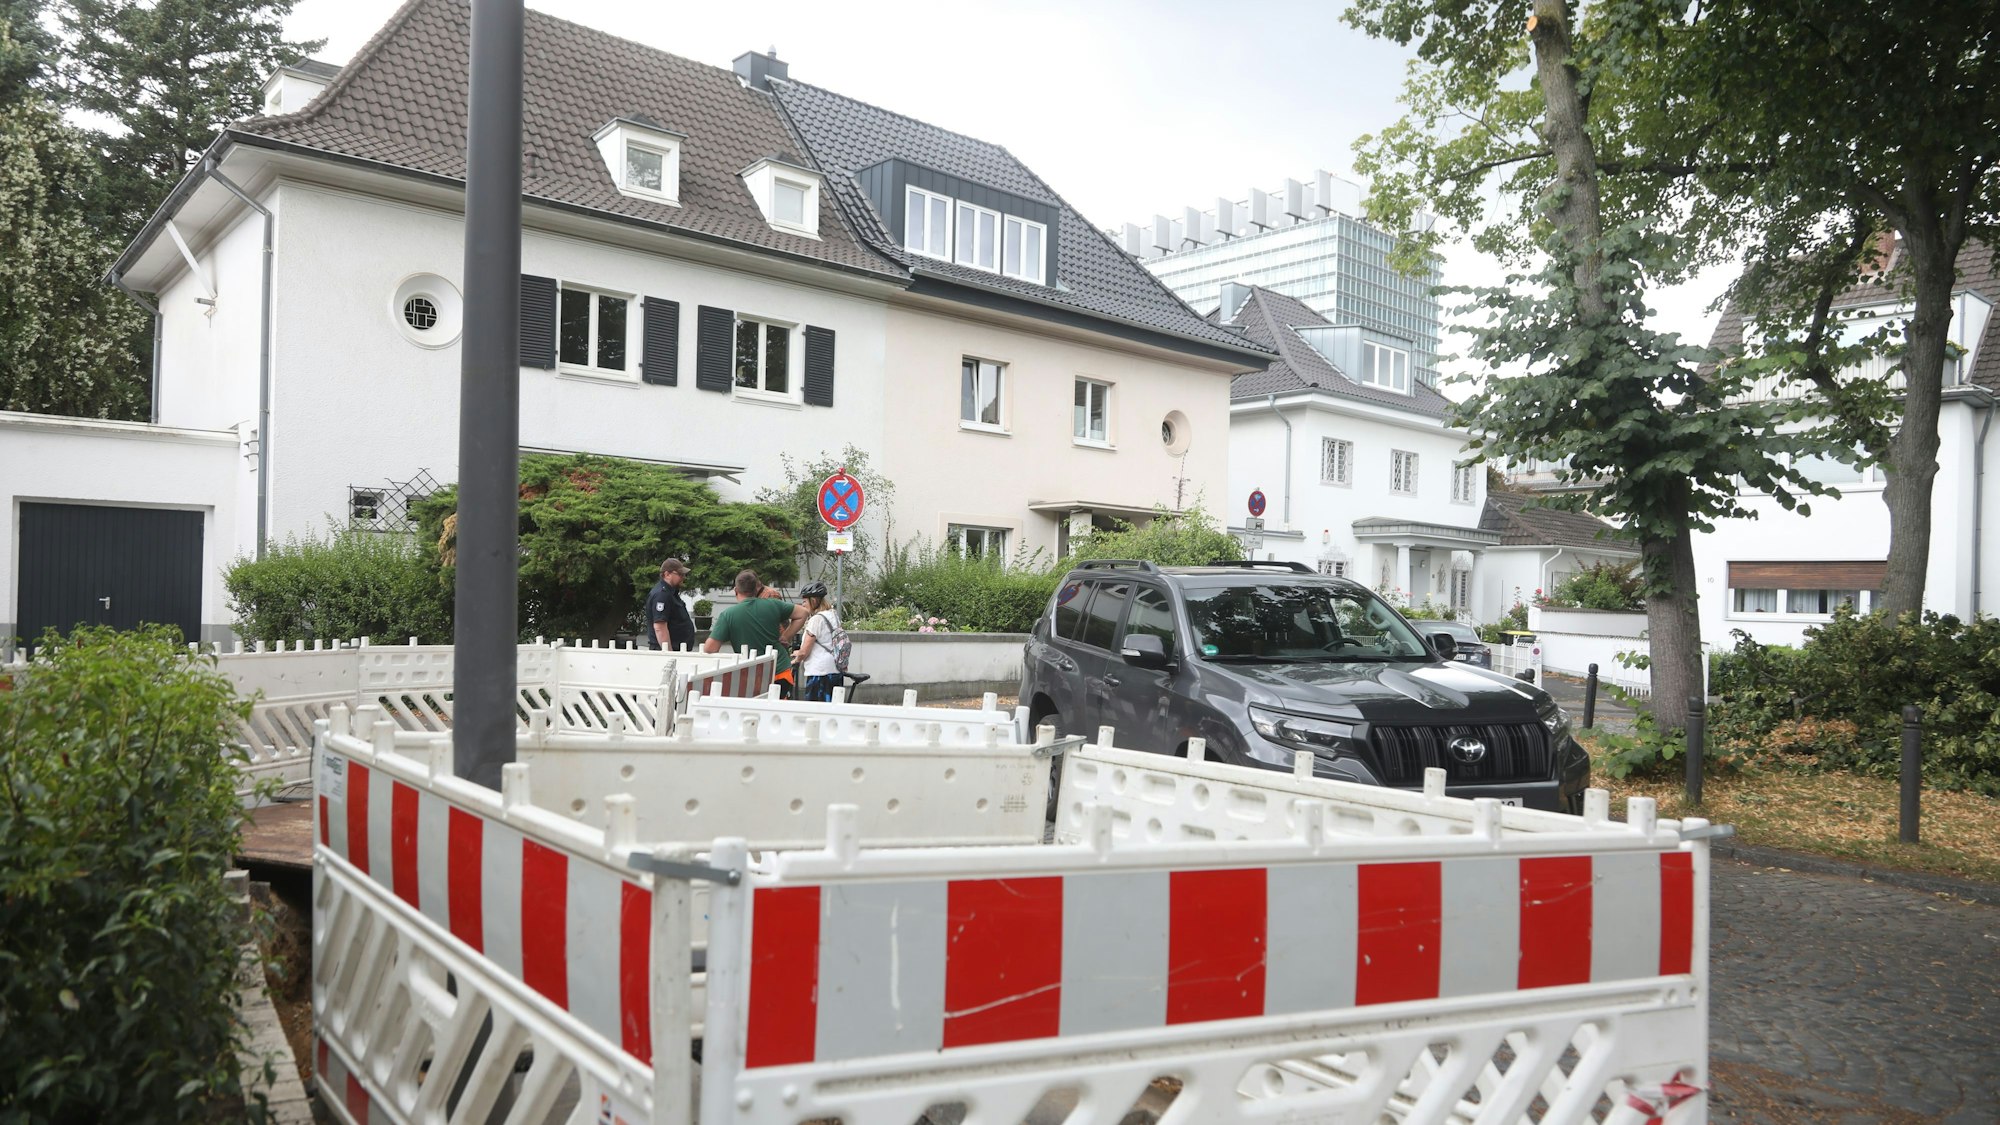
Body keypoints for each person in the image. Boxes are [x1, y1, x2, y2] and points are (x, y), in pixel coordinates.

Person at [704, 569, 806, 695]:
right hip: (779, 669)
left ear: (736, 590)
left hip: (751, 675)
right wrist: (786, 636)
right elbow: (803, 613)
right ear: (756, 589)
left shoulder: (728, 615)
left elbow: (709, 648)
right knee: (777, 711)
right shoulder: (773, 605)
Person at [793, 581, 842, 703]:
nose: (803, 604)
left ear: (813, 601)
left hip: (819, 672)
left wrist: (796, 659)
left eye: (805, 601)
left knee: (816, 711)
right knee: (832, 709)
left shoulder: (816, 619)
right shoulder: (833, 615)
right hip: (835, 669)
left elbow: (804, 651)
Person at [645, 558, 695, 651]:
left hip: (678, 649)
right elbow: (660, 626)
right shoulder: (662, 595)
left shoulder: (670, 593)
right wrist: (669, 653)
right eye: (680, 574)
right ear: (667, 574)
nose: (683, 577)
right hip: (668, 651)